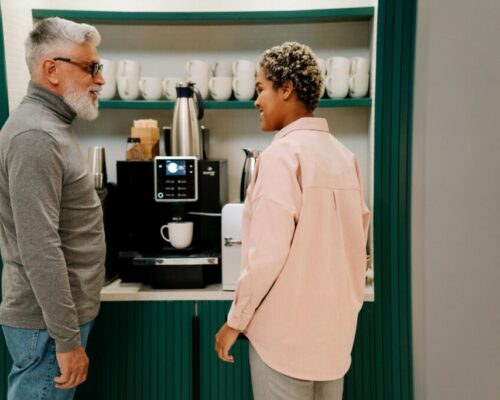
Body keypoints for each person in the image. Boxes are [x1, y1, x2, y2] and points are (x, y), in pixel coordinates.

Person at [215, 41, 371, 400]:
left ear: (286, 89)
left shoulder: (280, 157)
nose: (256, 101)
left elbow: (265, 256)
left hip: (283, 344)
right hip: (334, 343)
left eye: (261, 89)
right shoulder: (346, 158)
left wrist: (234, 322)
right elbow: (356, 250)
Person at [0, 17, 106, 400]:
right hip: (48, 328)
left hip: (54, 324)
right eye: (91, 67)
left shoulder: (52, 126)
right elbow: (39, 247)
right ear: (52, 69)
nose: (100, 80)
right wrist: (66, 339)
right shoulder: (37, 136)